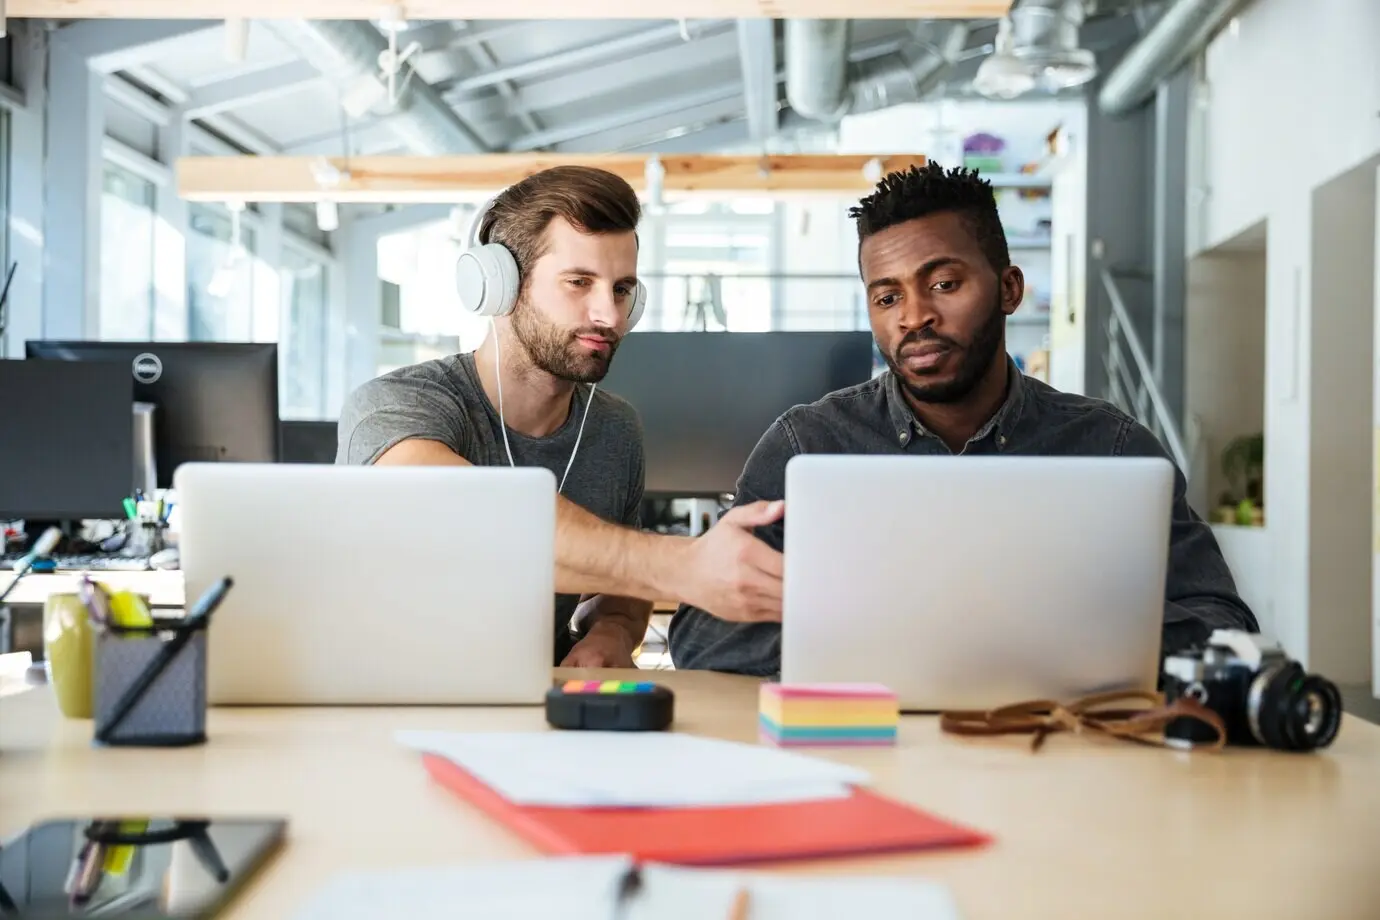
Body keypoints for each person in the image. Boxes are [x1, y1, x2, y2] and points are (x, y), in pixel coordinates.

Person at [668, 162, 1257, 676]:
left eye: (944, 284)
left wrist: (1064, 632)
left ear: (1008, 288)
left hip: (1051, 762)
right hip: (864, 756)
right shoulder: (807, 444)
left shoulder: (1109, 446)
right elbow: (701, 636)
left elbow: (1224, 625)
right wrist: (913, 633)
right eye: (887, 297)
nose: (914, 317)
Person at [336, 165, 784, 669]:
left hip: (539, 708)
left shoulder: (614, 428)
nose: (610, 316)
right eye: (579, 282)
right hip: (389, 703)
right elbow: (467, 521)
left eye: (621, 290)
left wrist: (613, 633)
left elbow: (618, 587)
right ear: (500, 286)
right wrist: (686, 565)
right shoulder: (395, 405)